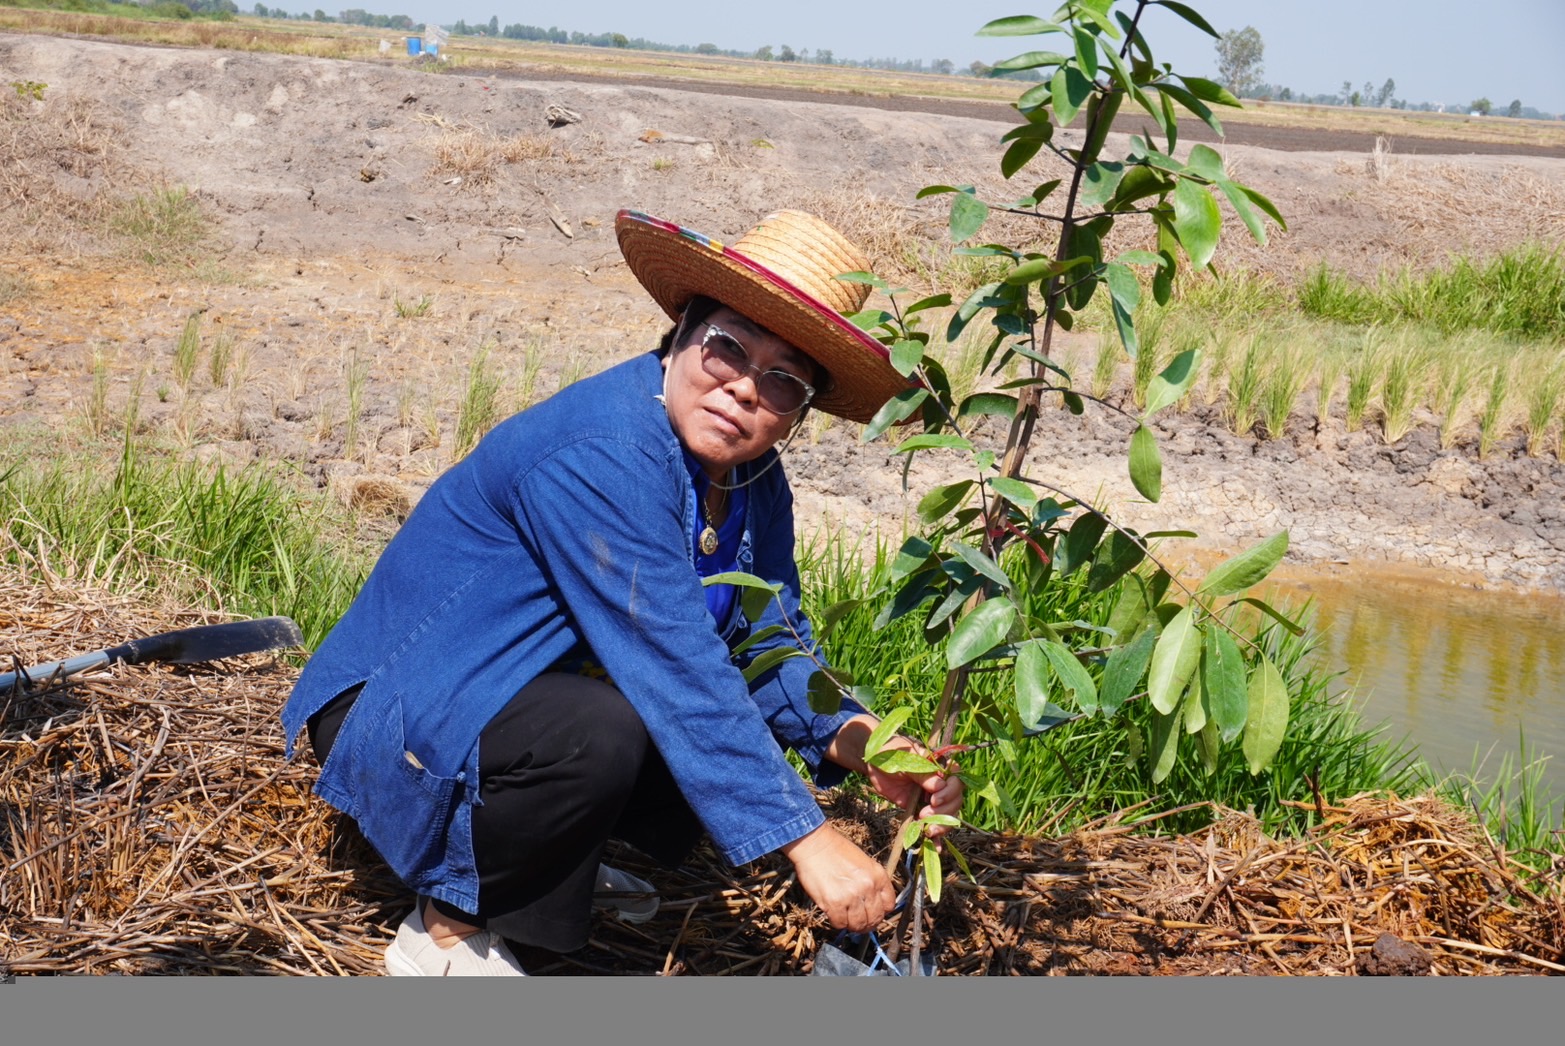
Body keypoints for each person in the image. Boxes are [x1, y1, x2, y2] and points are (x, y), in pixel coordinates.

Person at [280, 208, 965, 976]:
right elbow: (675, 663)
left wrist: (861, 736)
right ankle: (448, 928)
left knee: (675, 729)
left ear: (798, 412)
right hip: (406, 703)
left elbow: (769, 635)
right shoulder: (603, 450)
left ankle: (552, 864)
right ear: (679, 335)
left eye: (782, 381)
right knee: (606, 730)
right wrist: (805, 838)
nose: (743, 389)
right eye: (727, 349)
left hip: (524, 699)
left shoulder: (751, 479)